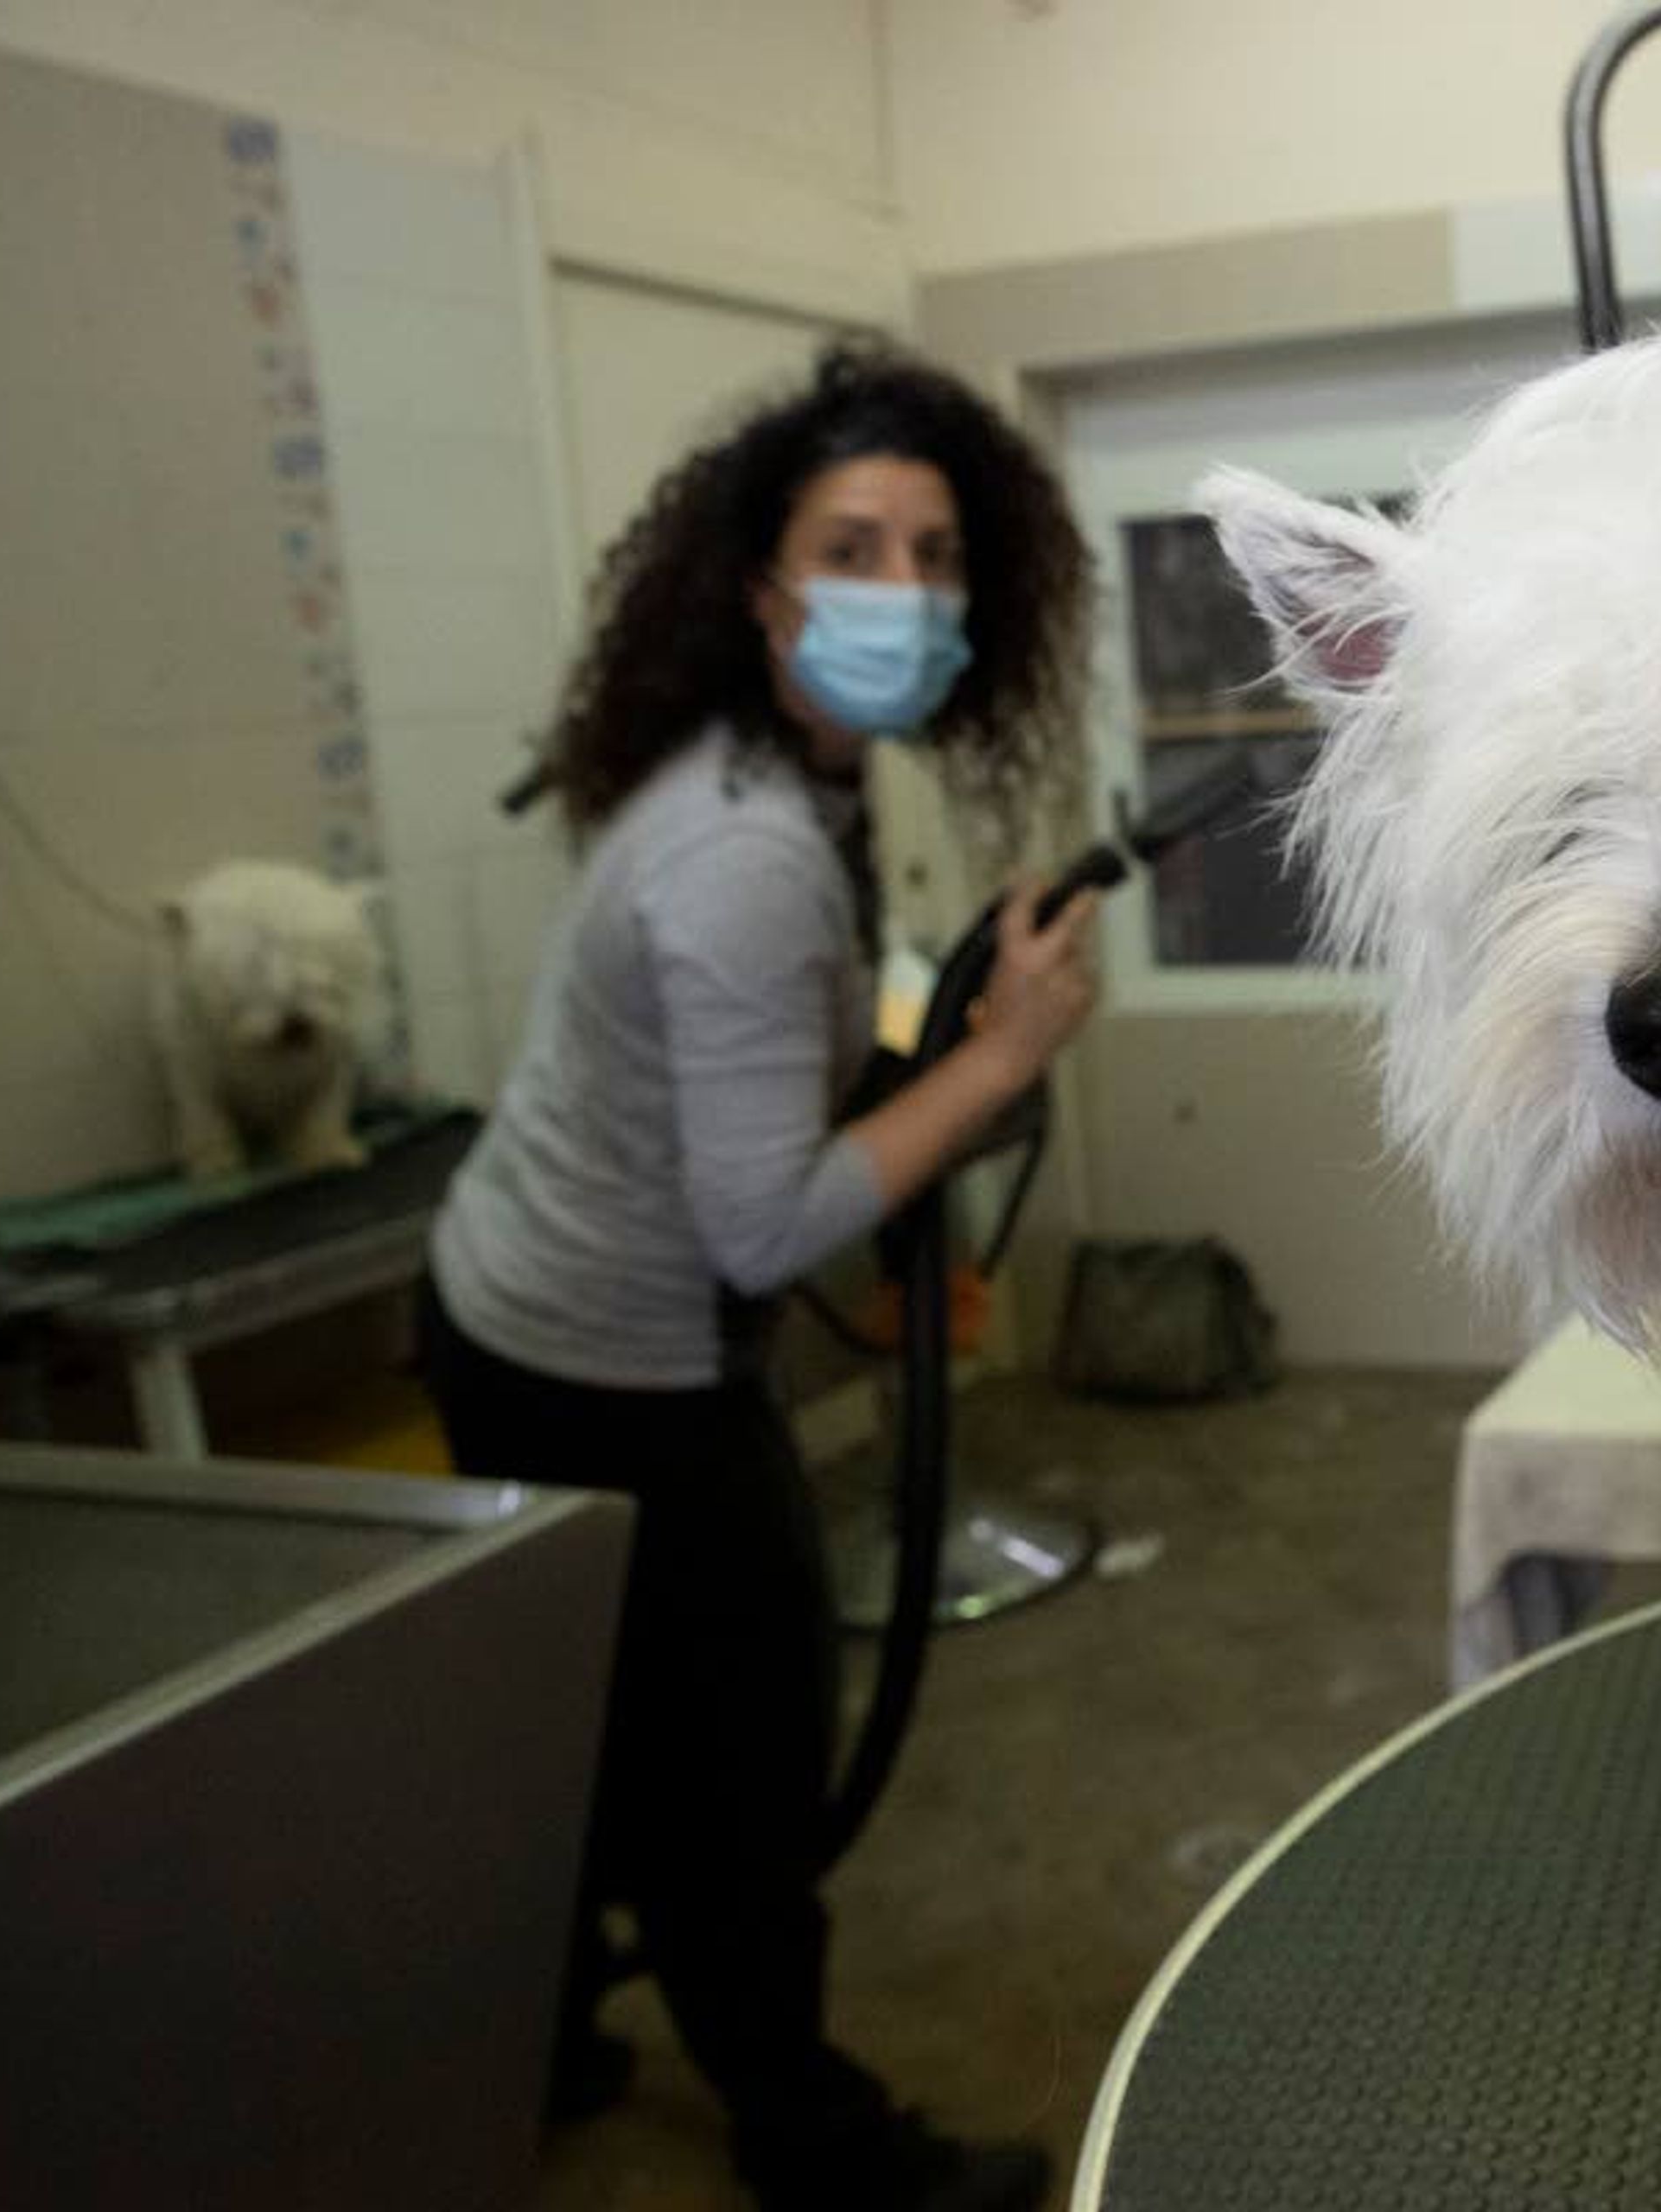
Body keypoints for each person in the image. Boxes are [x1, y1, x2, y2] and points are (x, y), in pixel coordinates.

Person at [417, 344, 1097, 2212]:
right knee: (732, 1769)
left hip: (523, 1308)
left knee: (591, 1723)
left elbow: (781, 1109)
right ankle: (813, 2137)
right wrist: (1000, 1058)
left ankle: (538, 2031)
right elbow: (763, 1227)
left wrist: (935, 1042)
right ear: (760, 584)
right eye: (854, 546)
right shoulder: (742, 856)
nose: (905, 591)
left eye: (939, 551)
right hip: (596, 1358)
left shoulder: (785, 773)